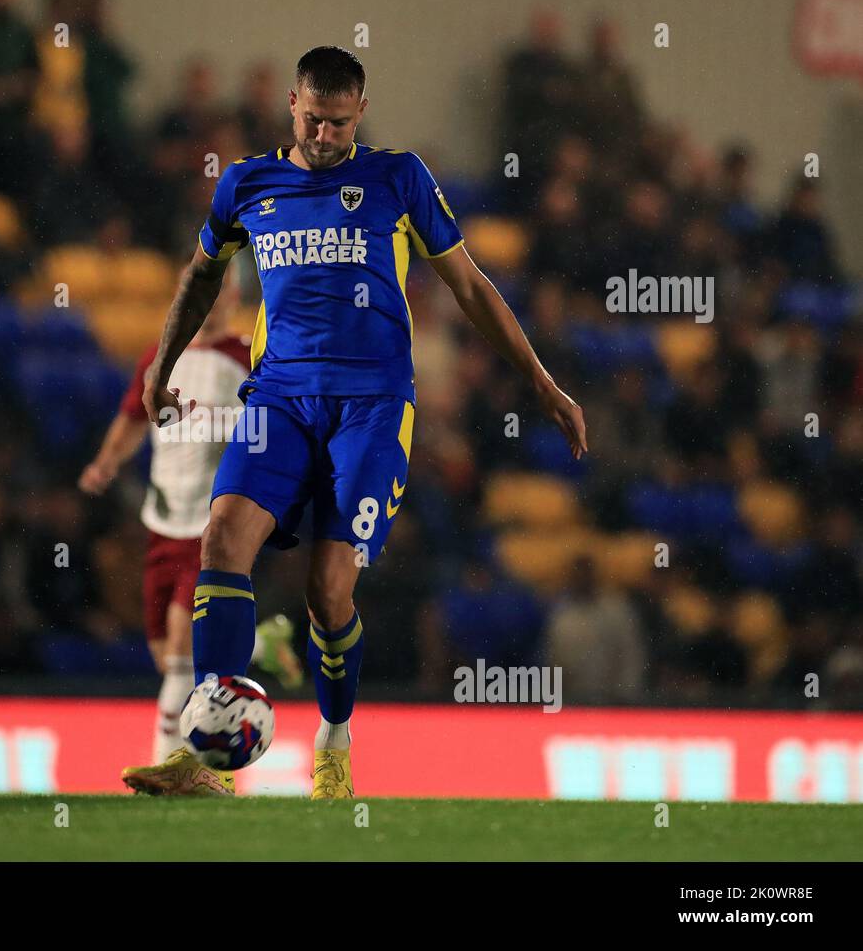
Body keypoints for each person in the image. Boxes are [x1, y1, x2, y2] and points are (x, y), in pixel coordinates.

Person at [137, 47, 586, 799]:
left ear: (361, 114)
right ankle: (204, 743)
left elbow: (470, 287)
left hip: (373, 408)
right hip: (276, 399)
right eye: (313, 119)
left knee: (328, 589)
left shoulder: (397, 177)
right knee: (221, 538)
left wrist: (540, 382)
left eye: (339, 124)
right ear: (291, 103)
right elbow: (199, 277)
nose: (324, 135)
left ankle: (334, 744)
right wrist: (160, 367)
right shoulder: (248, 184)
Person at [78, 270, 301, 795]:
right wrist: (107, 463)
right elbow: (135, 416)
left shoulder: (250, 355)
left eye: (220, 289)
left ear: (235, 296)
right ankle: (260, 646)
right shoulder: (160, 357)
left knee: (180, 655)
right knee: (169, 658)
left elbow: (267, 427)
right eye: (199, 289)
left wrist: (209, 422)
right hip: (161, 522)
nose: (209, 298)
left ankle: (171, 770)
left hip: (211, 526)